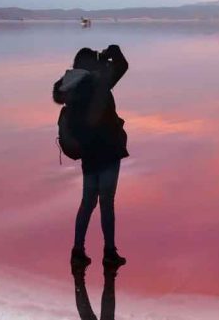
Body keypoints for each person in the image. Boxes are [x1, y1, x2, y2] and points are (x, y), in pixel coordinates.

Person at [53, 44, 130, 268]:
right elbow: (122, 65)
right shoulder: (99, 83)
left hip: (89, 155)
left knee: (88, 202)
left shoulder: (71, 90)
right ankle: (109, 252)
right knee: (107, 203)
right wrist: (111, 51)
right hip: (107, 151)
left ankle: (78, 250)